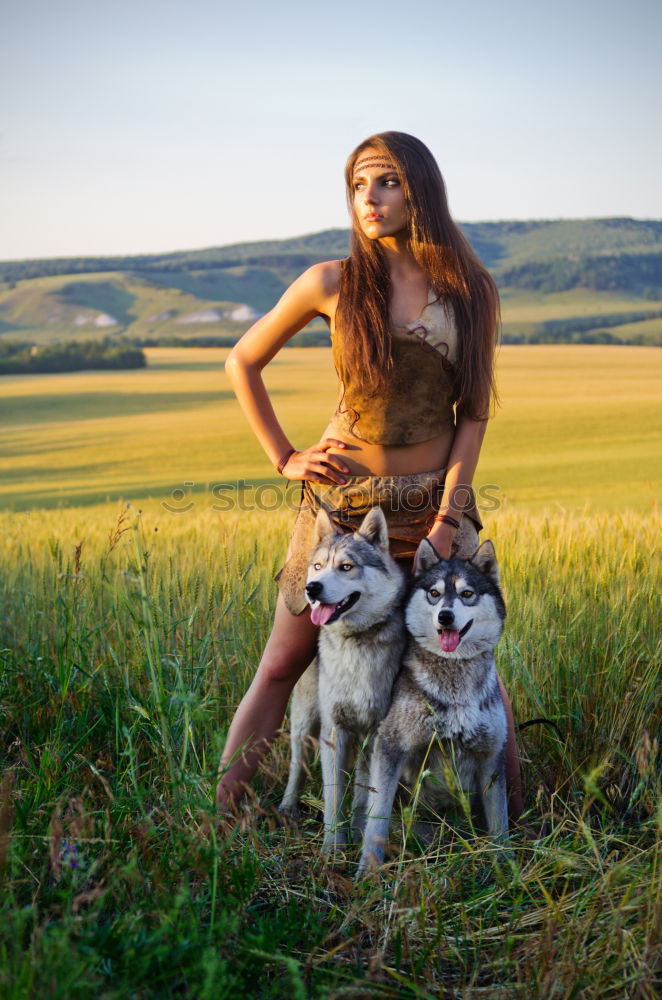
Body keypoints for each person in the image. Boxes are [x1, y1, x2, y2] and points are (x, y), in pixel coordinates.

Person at [216, 131, 523, 822]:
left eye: (384, 182)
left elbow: (473, 413)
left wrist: (450, 517)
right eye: (358, 185)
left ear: (420, 188)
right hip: (344, 511)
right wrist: (284, 455)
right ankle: (220, 816)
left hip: (432, 509)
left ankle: (515, 833)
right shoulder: (331, 282)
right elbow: (242, 361)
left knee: (475, 671)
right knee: (282, 663)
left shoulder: (470, 290)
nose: (370, 199)